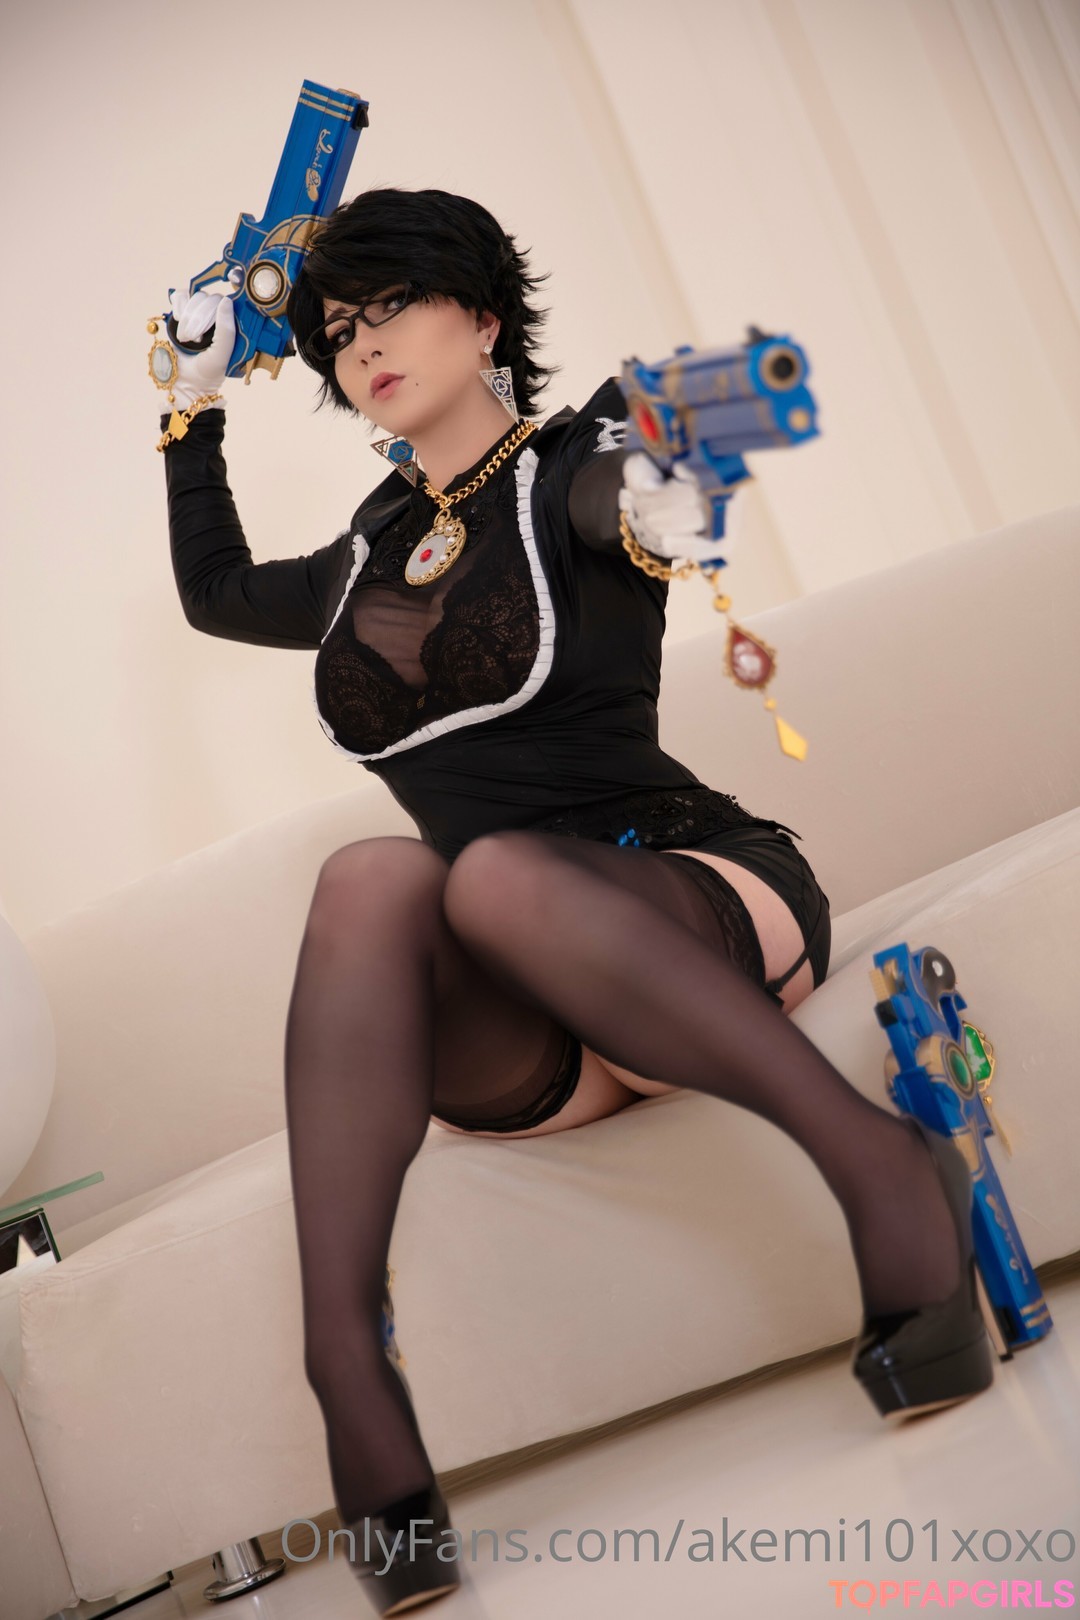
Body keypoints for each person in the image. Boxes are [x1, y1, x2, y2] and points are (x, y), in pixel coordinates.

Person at [152, 187, 994, 1615]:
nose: (363, 344)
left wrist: (664, 488)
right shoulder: (365, 553)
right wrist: (190, 406)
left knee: (488, 873)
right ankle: (346, 1362)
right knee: (370, 878)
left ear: (484, 319)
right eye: (338, 329)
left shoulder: (574, 460)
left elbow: (635, 481)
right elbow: (217, 592)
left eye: (394, 306)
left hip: (687, 908)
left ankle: (881, 1168)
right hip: (538, 1041)